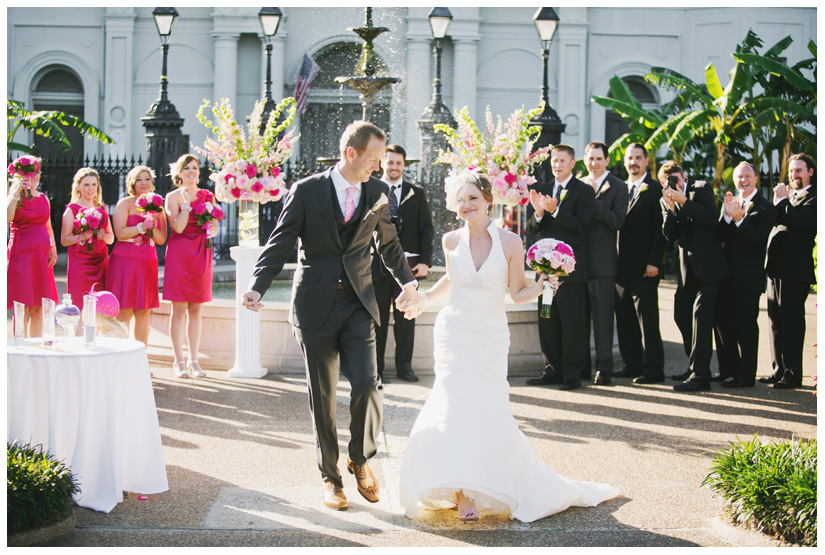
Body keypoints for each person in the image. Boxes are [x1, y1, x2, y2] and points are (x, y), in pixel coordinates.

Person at [397, 172, 619, 523]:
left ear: (488, 200)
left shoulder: (511, 242)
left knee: (485, 408)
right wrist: (423, 297)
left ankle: (481, 481)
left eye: (473, 198)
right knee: (452, 404)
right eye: (460, 200)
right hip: (454, 332)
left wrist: (547, 285)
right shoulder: (450, 240)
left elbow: (517, 292)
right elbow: (451, 281)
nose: (466, 205)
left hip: (489, 336)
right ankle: (461, 491)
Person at [241, 121, 424, 511]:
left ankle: (359, 458)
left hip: (359, 303)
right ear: (350, 153)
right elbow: (281, 242)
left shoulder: (376, 192)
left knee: (368, 386)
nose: (378, 167)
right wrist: (258, 285)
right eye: (373, 159)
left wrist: (408, 285)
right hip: (315, 306)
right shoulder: (306, 191)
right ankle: (330, 478)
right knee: (321, 398)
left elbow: (389, 246)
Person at [525, 144, 596, 391]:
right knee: (547, 319)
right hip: (545, 273)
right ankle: (551, 369)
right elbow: (532, 228)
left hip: (571, 274)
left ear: (572, 163)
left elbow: (581, 225)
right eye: (554, 160)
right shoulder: (542, 190)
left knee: (572, 323)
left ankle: (572, 374)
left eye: (562, 161)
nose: (557, 165)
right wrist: (539, 214)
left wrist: (556, 211)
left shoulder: (584, 191)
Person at [660, 161, 729, 392]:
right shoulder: (665, 199)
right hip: (686, 270)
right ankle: (695, 366)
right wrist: (670, 209)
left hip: (709, 267)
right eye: (669, 181)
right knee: (681, 314)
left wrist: (684, 202)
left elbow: (711, 218)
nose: (674, 183)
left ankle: (701, 376)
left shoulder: (701, 188)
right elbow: (669, 236)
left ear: (684, 176)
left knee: (701, 318)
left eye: (677, 179)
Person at [372, 144, 434, 384]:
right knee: (377, 320)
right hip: (376, 265)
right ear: (382, 163)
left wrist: (426, 261)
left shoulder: (416, 193)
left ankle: (404, 367)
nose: (394, 167)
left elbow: (426, 228)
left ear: (404, 165)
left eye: (398, 163)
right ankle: (376, 369)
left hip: (408, 267)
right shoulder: (372, 189)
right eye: (390, 162)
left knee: (407, 319)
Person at [713, 162, 776, 388]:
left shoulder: (766, 207)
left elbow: (760, 242)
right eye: (739, 177)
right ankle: (727, 370)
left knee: (745, 326)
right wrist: (728, 217)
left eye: (747, 176)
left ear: (756, 178)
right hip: (725, 276)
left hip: (748, 279)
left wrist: (739, 219)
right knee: (723, 324)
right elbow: (720, 236)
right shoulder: (731, 203)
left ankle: (746, 375)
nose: (743, 180)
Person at [761, 153, 817, 389]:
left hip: (795, 271)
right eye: (792, 171)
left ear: (810, 172)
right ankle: (778, 369)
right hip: (777, 269)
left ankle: (793, 373)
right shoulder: (790, 197)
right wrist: (780, 203)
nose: (794, 175)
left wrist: (783, 202)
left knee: (792, 321)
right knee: (775, 319)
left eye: (799, 171)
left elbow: (803, 224)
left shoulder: (815, 198)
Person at [163, 154, 218, 379]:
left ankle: (194, 360)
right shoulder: (172, 197)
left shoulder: (208, 196)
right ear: (179, 172)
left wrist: (211, 228)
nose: (191, 172)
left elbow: (213, 226)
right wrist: (186, 206)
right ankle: (178, 361)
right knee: (178, 311)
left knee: (196, 310)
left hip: (201, 251)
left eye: (194, 168)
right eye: (187, 168)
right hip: (180, 253)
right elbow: (177, 228)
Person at [614, 144, 666, 384]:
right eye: (629, 158)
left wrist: (654, 262)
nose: (633, 162)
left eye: (638, 158)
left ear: (646, 161)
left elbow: (661, 230)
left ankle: (653, 369)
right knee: (625, 320)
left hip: (645, 268)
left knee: (648, 321)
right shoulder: (621, 188)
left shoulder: (656, 189)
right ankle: (632, 364)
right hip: (620, 268)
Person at [582, 142, 628, 385]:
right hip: (577, 262)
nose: (594, 163)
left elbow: (616, 221)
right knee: (580, 317)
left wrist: (593, 200)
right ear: (584, 159)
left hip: (603, 263)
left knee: (602, 319)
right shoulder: (577, 184)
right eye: (590, 158)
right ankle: (581, 367)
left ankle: (604, 368)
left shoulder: (619, 187)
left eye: (599, 159)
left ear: (607, 160)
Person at [107, 166, 168, 346]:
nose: (144, 183)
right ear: (132, 183)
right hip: (125, 261)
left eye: (147, 179)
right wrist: (141, 227)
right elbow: (120, 233)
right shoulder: (125, 203)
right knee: (123, 311)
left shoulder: (158, 207)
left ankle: (140, 358)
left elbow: (161, 239)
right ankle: (120, 354)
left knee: (143, 312)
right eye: (139, 179)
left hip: (146, 261)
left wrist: (154, 225)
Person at [7, 156, 58, 336]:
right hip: (21, 254)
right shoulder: (14, 197)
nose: (33, 178)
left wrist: (53, 247)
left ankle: (34, 347)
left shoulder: (44, 198)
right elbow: (7, 218)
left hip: (41, 257)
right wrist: (16, 191)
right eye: (28, 175)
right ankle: (19, 346)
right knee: (21, 306)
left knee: (38, 306)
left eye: (35, 174)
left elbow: (48, 226)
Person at [60, 167, 115, 311]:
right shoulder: (71, 209)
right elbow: (64, 240)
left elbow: (111, 239)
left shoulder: (101, 207)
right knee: (80, 303)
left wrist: (104, 235)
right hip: (80, 263)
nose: (90, 189)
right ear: (78, 186)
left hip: (99, 263)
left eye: (93, 185)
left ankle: (96, 334)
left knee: (99, 306)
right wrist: (82, 236)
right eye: (86, 185)